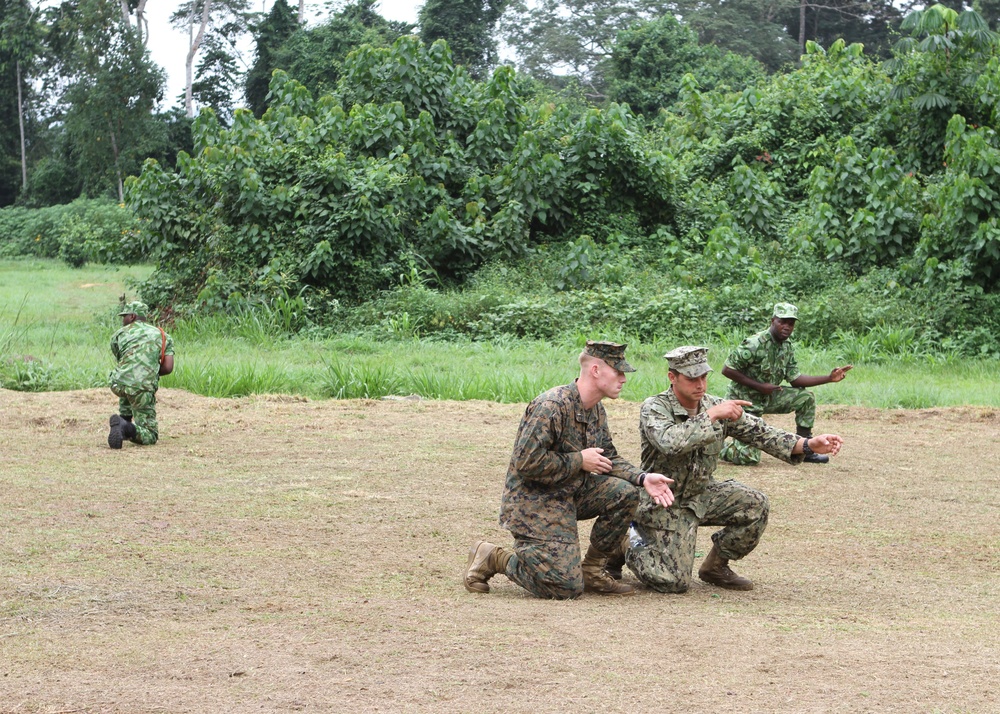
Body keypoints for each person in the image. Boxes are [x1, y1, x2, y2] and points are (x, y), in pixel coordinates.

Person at [622, 345, 843, 593]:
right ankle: (627, 539)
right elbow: (670, 442)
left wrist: (808, 445)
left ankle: (715, 566)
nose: (700, 384)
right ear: (673, 377)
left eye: (703, 376)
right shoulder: (655, 407)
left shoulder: (717, 406)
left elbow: (762, 433)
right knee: (671, 582)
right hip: (665, 499)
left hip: (701, 494)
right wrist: (711, 416)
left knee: (755, 504)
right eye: (692, 378)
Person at [463, 340, 675, 599]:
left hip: (570, 493)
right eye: (618, 371)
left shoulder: (595, 409)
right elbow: (526, 462)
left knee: (625, 493)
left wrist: (643, 478)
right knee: (564, 587)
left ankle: (593, 570)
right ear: (596, 370)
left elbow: (608, 457)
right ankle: (494, 557)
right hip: (535, 502)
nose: (623, 379)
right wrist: (579, 460)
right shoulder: (551, 406)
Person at [719, 302, 852, 465]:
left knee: (806, 397)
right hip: (744, 402)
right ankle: (720, 449)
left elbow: (795, 379)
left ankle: (807, 447)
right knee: (748, 458)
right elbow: (727, 369)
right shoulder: (754, 343)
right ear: (773, 320)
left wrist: (829, 378)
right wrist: (759, 386)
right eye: (782, 322)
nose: (787, 327)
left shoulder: (786, 347)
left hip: (768, 398)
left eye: (791, 323)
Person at [107, 300, 174, 449]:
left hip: (117, 383)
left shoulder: (118, 334)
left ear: (132, 316)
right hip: (141, 388)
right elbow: (168, 368)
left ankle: (123, 420)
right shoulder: (163, 336)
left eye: (124, 316)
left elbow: (122, 361)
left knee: (129, 381)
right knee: (150, 435)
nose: (123, 320)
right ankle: (126, 427)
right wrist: (150, 373)